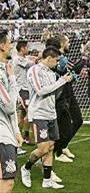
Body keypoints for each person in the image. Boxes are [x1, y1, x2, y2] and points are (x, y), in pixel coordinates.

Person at [21, 47, 73, 189]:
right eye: (56, 60)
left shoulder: (51, 73)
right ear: (49, 58)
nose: (57, 64)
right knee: (43, 149)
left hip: (51, 113)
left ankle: (47, 180)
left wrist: (62, 83)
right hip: (38, 114)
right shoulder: (34, 70)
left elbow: (54, 93)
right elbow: (40, 91)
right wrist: (62, 81)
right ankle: (26, 168)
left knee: (50, 147)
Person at [48, 34, 83, 163]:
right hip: (59, 96)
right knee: (58, 128)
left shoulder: (62, 59)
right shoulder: (60, 60)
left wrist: (72, 75)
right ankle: (53, 152)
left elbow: (72, 73)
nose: (69, 45)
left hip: (67, 93)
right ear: (62, 44)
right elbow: (73, 69)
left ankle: (61, 147)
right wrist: (84, 57)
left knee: (74, 122)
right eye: (67, 42)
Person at [0, 31, 22, 193]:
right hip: (2, 135)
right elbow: (8, 106)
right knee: (8, 182)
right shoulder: (3, 73)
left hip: (6, 130)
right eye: (9, 43)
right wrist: (13, 79)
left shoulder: (5, 69)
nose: (12, 46)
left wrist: (16, 131)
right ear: (2, 46)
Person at [13, 41, 34, 148]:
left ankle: (20, 136)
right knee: (29, 113)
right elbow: (30, 64)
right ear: (22, 48)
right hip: (22, 90)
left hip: (25, 90)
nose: (28, 49)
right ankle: (23, 137)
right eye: (27, 47)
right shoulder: (17, 59)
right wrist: (40, 58)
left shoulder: (23, 58)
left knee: (22, 115)